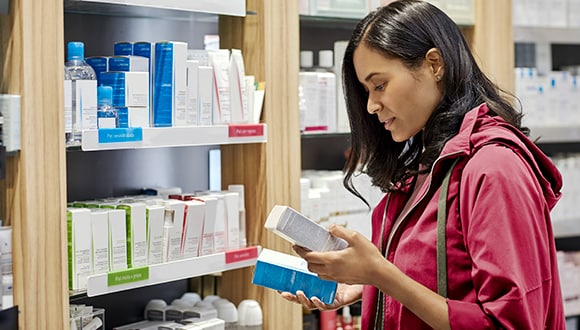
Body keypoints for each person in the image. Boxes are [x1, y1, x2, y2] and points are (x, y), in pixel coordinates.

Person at [280, 0, 566, 329]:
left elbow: (507, 323)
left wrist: (381, 274)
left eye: (380, 85)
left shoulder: (494, 167)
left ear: (434, 64)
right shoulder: (427, 164)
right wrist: (366, 284)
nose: (372, 105)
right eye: (366, 91)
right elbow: (443, 278)